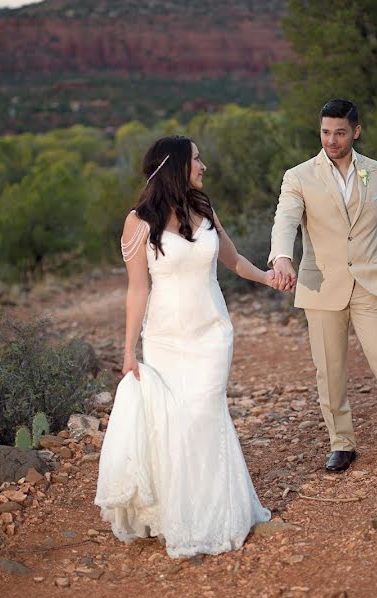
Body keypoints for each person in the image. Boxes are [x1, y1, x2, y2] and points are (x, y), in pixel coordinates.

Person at [94, 135, 272, 558]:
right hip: (166, 339)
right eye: (197, 159)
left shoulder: (205, 210)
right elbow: (137, 291)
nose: (203, 166)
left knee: (205, 416)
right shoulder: (138, 222)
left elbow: (234, 262)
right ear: (176, 166)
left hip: (211, 333)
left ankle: (217, 515)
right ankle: (179, 514)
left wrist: (269, 278)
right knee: (177, 423)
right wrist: (128, 350)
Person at [269, 99, 377, 472]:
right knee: (329, 369)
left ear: (356, 132)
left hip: (371, 283)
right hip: (322, 285)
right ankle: (341, 444)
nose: (331, 140)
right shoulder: (298, 176)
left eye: (340, 133)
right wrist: (282, 256)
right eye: (326, 132)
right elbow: (285, 220)